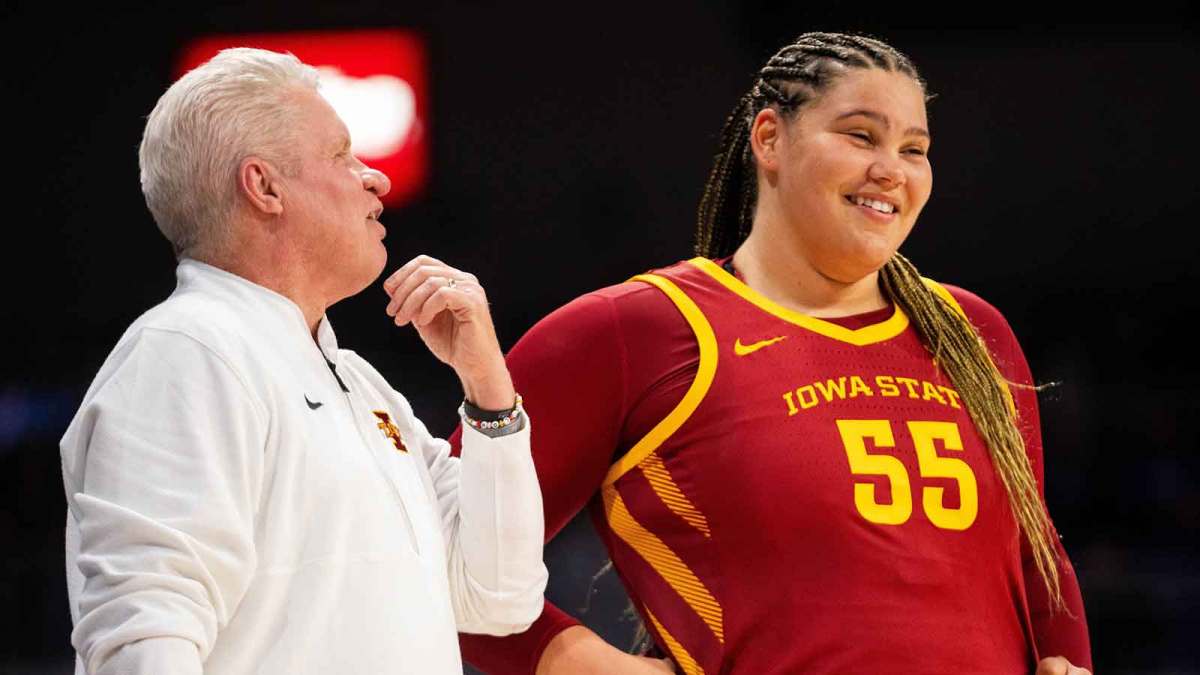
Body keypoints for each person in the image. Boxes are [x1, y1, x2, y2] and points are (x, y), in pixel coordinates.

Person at [455, 32, 1093, 674]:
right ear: (769, 140)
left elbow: (1039, 557)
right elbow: (442, 554)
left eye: (914, 149)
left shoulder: (970, 330)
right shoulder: (631, 332)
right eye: (861, 136)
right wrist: (576, 661)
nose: (891, 169)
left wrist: (1069, 660)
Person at [60, 48, 547, 675]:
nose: (377, 179)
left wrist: (488, 388)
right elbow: (142, 638)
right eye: (342, 155)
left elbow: (499, 598)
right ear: (264, 187)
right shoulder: (185, 353)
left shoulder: (362, 387)